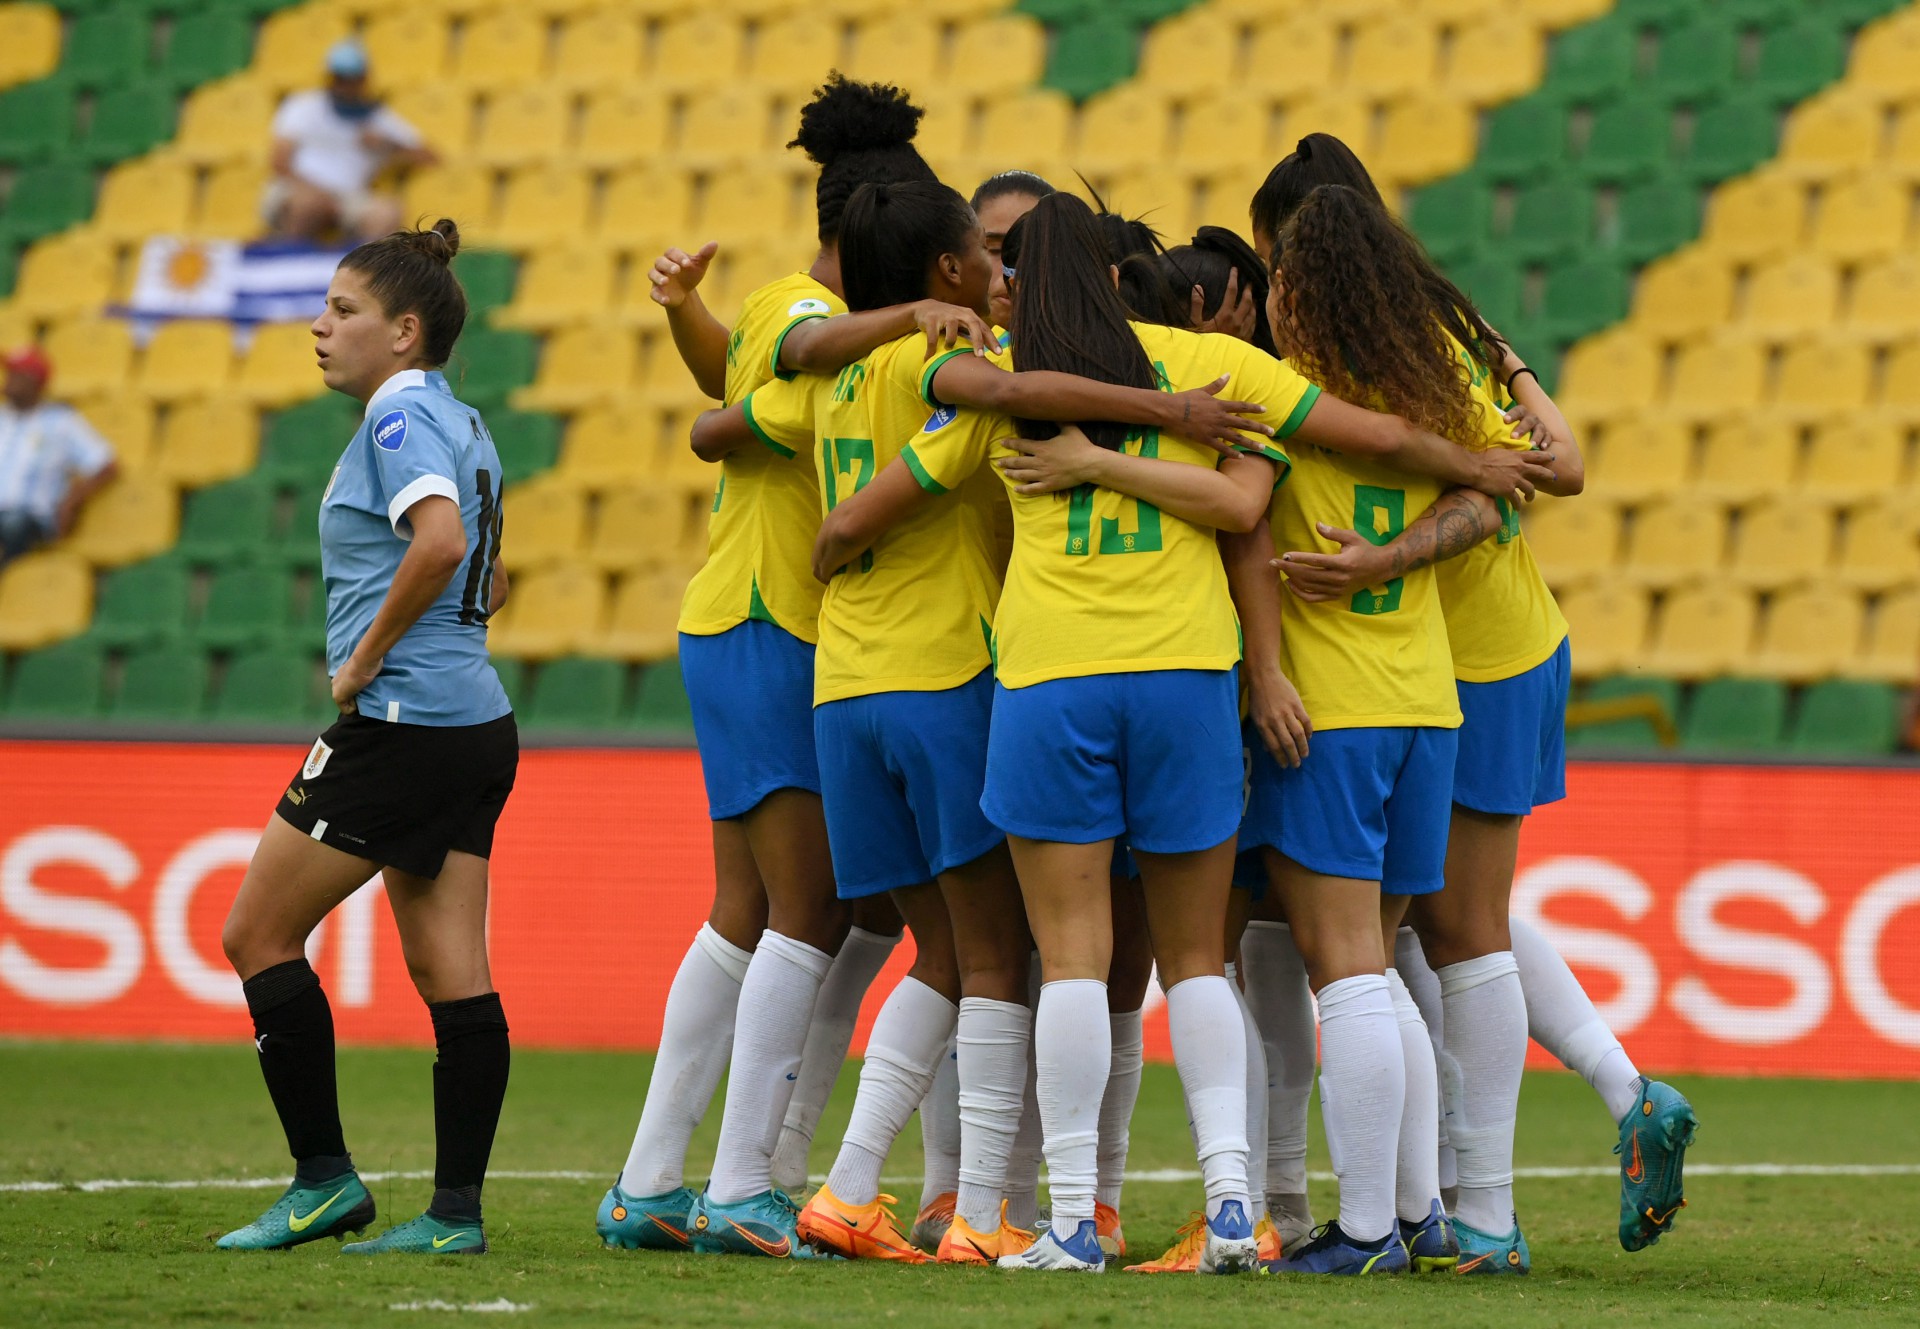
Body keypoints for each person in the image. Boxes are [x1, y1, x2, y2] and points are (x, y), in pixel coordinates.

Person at [1258, 134, 1696, 1265]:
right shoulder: (1421, 343)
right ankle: (1533, 1147)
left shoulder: (1406, 361)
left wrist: (1377, 559)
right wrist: (1505, 360)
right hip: (1472, 651)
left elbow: (1521, 488)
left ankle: (1481, 1206)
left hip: (1476, 655)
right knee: (1439, 925)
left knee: (1455, 931)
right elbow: (1553, 462)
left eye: (1278, 255)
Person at [600, 75, 970, 1261]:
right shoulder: (798, 304)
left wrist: (688, 330)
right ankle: (742, 1187)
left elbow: (733, 406)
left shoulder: (800, 335)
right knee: (802, 911)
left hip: (764, 628)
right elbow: (794, 350)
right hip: (773, 624)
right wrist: (916, 321)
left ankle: (658, 1179)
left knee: (761, 910)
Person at [215, 219, 516, 1256]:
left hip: (402, 725)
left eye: (341, 311)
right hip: (475, 724)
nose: (319, 327)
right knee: (451, 972)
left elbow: (441, 543)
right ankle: (454, 1217)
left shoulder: (397, 421)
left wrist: (363, 656)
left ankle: (324, 1182)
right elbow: (490, 571)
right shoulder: (459, 420)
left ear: (403, 330)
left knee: (253, 937)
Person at [265, 40, 435, 244]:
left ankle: (363, 270)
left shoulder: (378, 117)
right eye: (340, 78)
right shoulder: (303, 106)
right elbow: (279, 162)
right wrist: (319, 194)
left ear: (364, 79)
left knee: (387, 212)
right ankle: (290, 261)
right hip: (298, 188)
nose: (345, 85)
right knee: (308, 203)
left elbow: (430, 156)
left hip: (349, 198)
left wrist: (388, 144)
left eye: (351, 78)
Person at [0, 346, 118, 564]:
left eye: (15, 375)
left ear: (34, 382)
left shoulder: (60, 422)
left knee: (13, 525)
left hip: (30, 516)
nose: (8, 380)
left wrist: (71, 501)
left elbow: (106, 465)